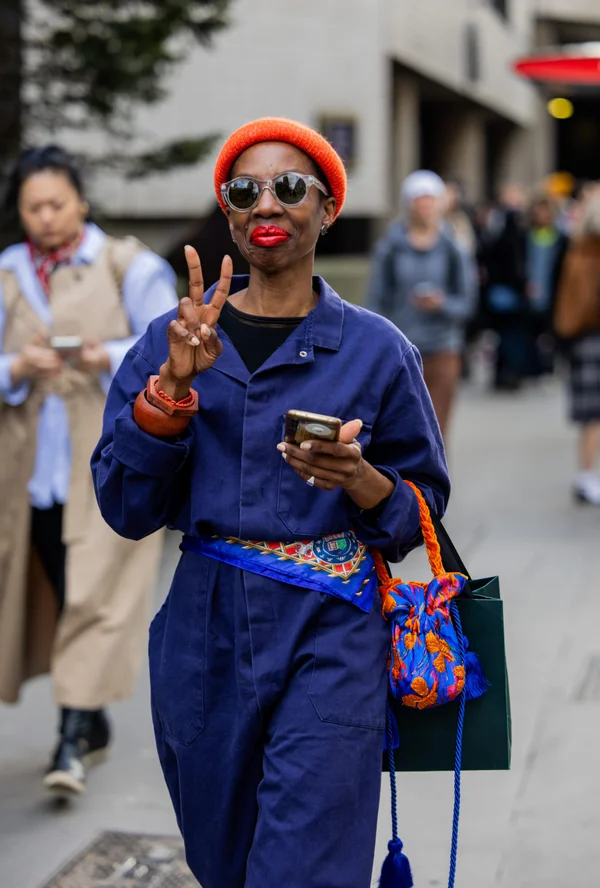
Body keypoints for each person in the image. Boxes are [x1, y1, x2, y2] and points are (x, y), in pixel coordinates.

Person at [91, 118, 450, 888]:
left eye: (290, 187)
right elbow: (124, 506)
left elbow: (421, 509)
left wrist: (359, 477)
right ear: (227, 213)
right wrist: (171, 394)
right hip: (204, 633)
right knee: (224, 864)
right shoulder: (172, 339)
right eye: (245, 189)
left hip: (332, 631)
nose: (267, 202)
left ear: (326, 210)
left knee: (303, 870)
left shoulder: (378, 349)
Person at [0, 146, 178, 795]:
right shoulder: (8, 271)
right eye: (32, 207)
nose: (45, 218)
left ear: (81, 202)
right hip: (27, 469)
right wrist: (17, 370)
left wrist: (109, 358)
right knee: (55, 583)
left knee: (93, 593)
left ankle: (72, 736)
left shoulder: (127, 265)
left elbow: (166, 344)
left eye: (56, 203)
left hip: (106, 460)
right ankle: (91, 715)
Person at [366, 169, 475, 439]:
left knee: (437, 428)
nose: (424, 206)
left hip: (442, 348)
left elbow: (467, 303)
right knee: (400, 428)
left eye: (429, 199)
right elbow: (376, 300)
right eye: (418, 199)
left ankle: (436, 481)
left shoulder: (452, 247)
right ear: (408, 203)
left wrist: (442, 304)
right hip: (402, 349)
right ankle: (403, 482)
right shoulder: (391, 246)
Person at [554, 188, 600, 505]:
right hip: (591, 337)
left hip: (583, 339)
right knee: (593, 414)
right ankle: (586, 476)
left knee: (590, 416)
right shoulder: (585, 255)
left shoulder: (576, 252)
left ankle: (586, 474)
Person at [480, 184, 530, 390]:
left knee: (503, 337)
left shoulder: (496, 230)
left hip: (499, 290)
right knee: (510, 337)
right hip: (508, 292)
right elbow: (514, 263)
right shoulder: (509, 232)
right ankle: (509, 374)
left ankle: (505, 374)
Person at [525, 194, 568, 376]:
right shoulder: (527, 235)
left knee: (550, 333)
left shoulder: (561, 237)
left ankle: (548, 366)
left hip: (553, 293)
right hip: (531, 292)